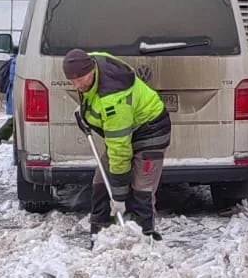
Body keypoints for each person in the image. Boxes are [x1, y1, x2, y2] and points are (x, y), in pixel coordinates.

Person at [64, 48, 171, 240]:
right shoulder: (93, 62)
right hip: (125, 130)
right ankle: (99, 238)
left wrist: (119, 197)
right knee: (101, 183)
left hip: (150, 132)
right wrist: (86, 114)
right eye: (73, 81)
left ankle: (142, 241)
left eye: (81, 79)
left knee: (141, 191)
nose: (78, 85)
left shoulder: (114, 100)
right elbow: (93, 99)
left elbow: (120, 150)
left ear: (92, 71)